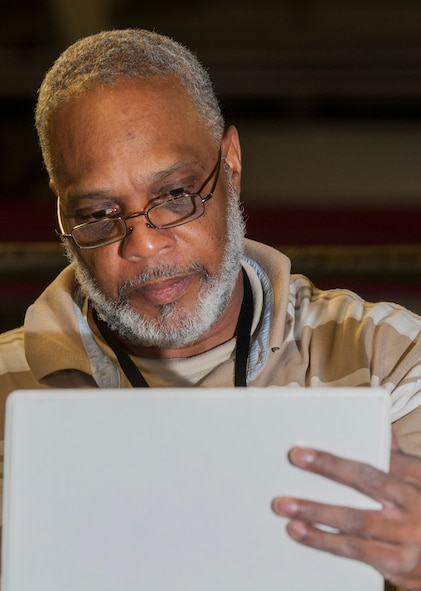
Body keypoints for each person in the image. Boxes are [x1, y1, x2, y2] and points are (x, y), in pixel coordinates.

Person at [1, 29, 421, 590]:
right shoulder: (5, 385)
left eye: (175, 194)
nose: (144, 245)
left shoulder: (389, 357)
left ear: (231, 162)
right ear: (60, 210)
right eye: (99, 212)